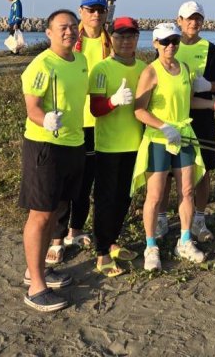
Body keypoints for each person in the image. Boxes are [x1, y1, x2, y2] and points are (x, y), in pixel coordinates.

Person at [18, 9, 89, 312]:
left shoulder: (81, 60)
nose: (68, 32)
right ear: (48, 32)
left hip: (74, 144)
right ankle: (36, 287)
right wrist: (44, 119)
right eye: (62, 27)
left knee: (58, 209)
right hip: (45, 146)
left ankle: (37, 270)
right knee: (41, 215)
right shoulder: (42, 64)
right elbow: (32, 107)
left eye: (73, 26)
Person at [134, 23, 212, 271]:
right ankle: (150, 246)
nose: (171, 46)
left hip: (184, 136)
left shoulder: (185, 68)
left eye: (175, 41)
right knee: (155, 196)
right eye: (165, 41)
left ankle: (185, 240)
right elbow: (138, 110)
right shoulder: (150, 72)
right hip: (159, 139)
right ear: (155, 43)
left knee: (187, 191)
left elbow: (189, 102)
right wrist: (163, 127)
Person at [49, 0, 110, 259]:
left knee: (88, 183)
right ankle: (56, 238)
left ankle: (76, 229)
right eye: (90, 10)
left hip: (101, 122)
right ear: (81, 12)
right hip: (72, 122)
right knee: (65, 184)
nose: (96, 15)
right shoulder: (72, 40)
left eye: (100, 10)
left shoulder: (112, 42)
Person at [87, 17, 146, 277]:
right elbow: (95, 109)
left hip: (135, 143)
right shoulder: (101, 69)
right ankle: (101, 253)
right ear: (111, 38)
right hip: (108, 146)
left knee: (125, 197)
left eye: (131, 35)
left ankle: (113, 243)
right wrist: (113, 101)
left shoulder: (145, 68)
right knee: (105, 198)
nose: (125, 41)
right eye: (120, 36)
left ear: (137, 38)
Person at [175, 1, 215, 241]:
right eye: (188, 18)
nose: (193, 23)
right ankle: (164, 218)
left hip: (203, 115)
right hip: (174, 116)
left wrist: (208, 86)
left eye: (197, 19)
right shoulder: (169, 45)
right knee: (169, 169)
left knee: (204, 167)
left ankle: (199, 217)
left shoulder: (211, 49)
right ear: (179, 21)